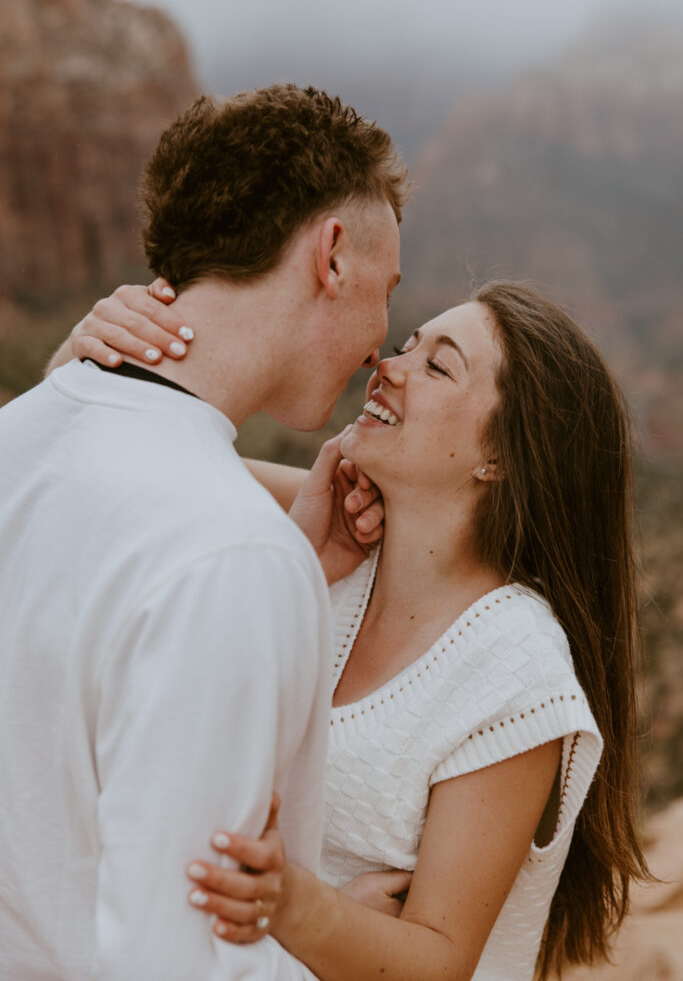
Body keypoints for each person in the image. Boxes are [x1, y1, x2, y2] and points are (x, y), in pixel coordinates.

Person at [70, 279, 648, 980]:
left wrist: (297, 907)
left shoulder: (512, 670)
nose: (389, 366)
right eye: (406, 346)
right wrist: (92, 350)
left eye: (437, 366)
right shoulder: (326, 522)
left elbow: (439, 959)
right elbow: (124, 463)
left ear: (500, 456)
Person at [0, 85, 406, 980]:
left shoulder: (19, 435)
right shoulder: (235, 555)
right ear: (331, 255)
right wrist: (326, 951)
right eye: (390, 289)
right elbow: (176, 958)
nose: (383, 345)